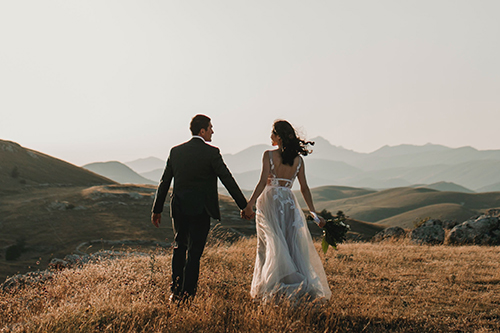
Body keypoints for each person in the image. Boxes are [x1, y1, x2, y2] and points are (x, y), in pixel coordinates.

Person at [151, 114, 251, 302]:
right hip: (201, 210)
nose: (213, 131)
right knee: (194, 253)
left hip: (179, 208)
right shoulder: (211, 153)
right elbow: (227, 179)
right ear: (202, 130)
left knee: (180, 247)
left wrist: (157, 209)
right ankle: (188, 294)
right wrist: (244, 206)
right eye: (210, 127)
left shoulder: (176, 152)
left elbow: (164, 182)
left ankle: (175, 292)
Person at [241, 120, 332, 303]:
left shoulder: (268, 155)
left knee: (270, 243)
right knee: (290, 245)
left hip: (270, 203)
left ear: (279, 137)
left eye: (272, 133)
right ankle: (295, 284)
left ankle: (273, 286)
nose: (270, 137)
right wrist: (313, 213)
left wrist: (250, 204)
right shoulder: (298, 160)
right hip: (289, 204)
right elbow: (304, 188)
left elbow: (261, 183)